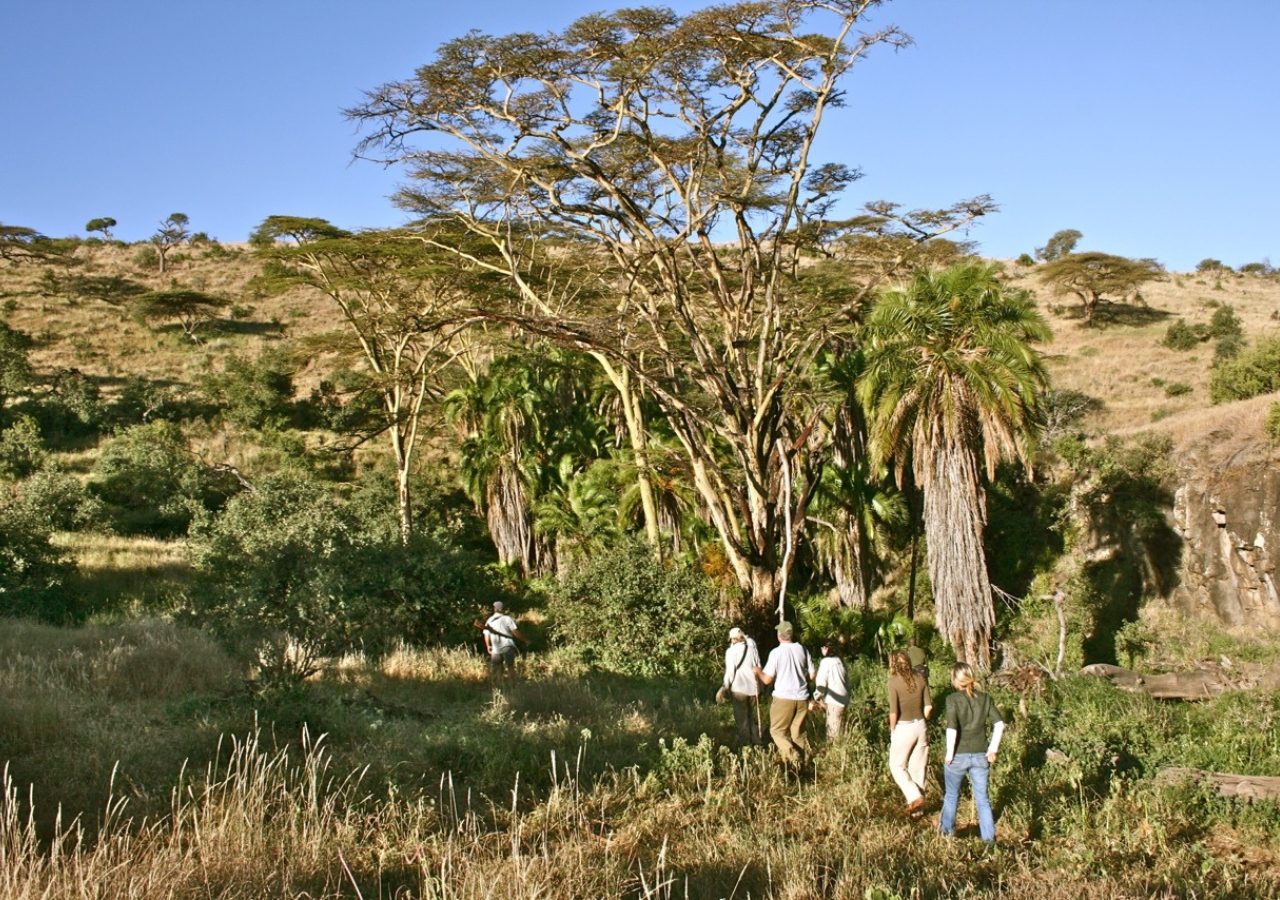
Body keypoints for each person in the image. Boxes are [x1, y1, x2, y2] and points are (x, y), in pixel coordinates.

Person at [940, 662, 1005, 843]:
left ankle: (946, 835)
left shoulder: (952, 699)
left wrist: (949, 754)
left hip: (958, 755)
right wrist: (993, 749)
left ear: (955, 679)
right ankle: (988, 840)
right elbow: (999, 724)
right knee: (983, 799)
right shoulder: (985, 698)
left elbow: (952, 729)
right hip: (980, 755)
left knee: (952, 796)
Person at [753, 620, 815, 766]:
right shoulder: (803, 650)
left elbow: (767, 680)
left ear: (779, 635)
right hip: (802, 698)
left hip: (783, 698)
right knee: (797, 733)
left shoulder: (776, 653)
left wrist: (757, 672)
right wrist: (800, 678)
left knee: (777, 731)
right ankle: (804, 764)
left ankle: (792, 756)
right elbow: (812, 675)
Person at [887, 649, 933, 817]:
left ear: (893, 664)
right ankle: (918, 812)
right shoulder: (920, 679)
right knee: (918, 768)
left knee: (897, 765)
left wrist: (892, 730)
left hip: (903, 727)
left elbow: (893, 712)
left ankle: (914, 796)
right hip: (921, 725)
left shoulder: (893, 682)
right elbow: (929, 708)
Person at [717, 626, 762, 748]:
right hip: (754, 689)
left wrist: (724, 687)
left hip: (739, 690)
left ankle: (746, 746)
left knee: (742, 720)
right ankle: (757, 742)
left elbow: (730, 673)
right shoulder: (752, 649)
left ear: (732, 639)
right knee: (752, 718)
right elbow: (758, 667)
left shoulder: (731, 652)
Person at [814, 640, 849, 743]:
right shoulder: (840, 661)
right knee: (841, 730)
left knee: (832, 735)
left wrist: (816, 697)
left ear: (826, 649)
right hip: (844, 700)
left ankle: (835, 756)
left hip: (834, 702)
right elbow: (848, 683)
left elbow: (821, 683)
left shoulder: (826, 662)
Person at [482, 601, 525, 682]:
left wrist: (488, 646)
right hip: (508, 646)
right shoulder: (507, 618)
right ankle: (512, 686)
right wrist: (524, 640)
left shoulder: (489, 620)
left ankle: (500, 687)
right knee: (510, 667)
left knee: (498, 668)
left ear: (494, 608)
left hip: (496, 649)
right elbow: (515, 632)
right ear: (502, 609)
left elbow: (486, 635)